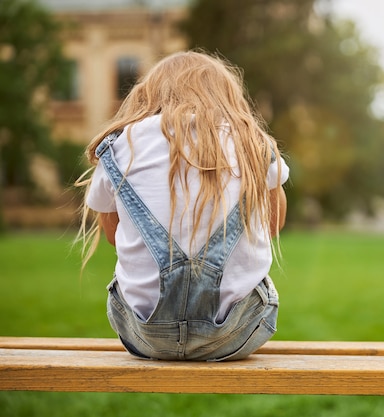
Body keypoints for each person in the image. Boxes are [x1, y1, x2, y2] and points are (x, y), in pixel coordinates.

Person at [75, 50, 289, 361]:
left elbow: (112, 234)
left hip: (144, 334)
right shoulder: (251, 146)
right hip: (237, 334)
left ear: (148, 96)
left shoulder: (121, 147)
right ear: (228, 97)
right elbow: (272, 225)